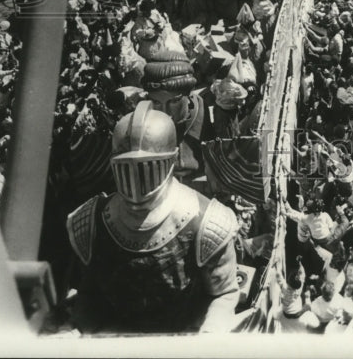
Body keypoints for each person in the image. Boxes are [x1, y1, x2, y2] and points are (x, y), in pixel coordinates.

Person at [66, 101, 239, 334]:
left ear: (172, 159)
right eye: (128, 168)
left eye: (148, 167)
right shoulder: (92, 220)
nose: (137, 182)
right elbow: (89, 294)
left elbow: (224, 294)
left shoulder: (206, 222)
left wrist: (208, 337)